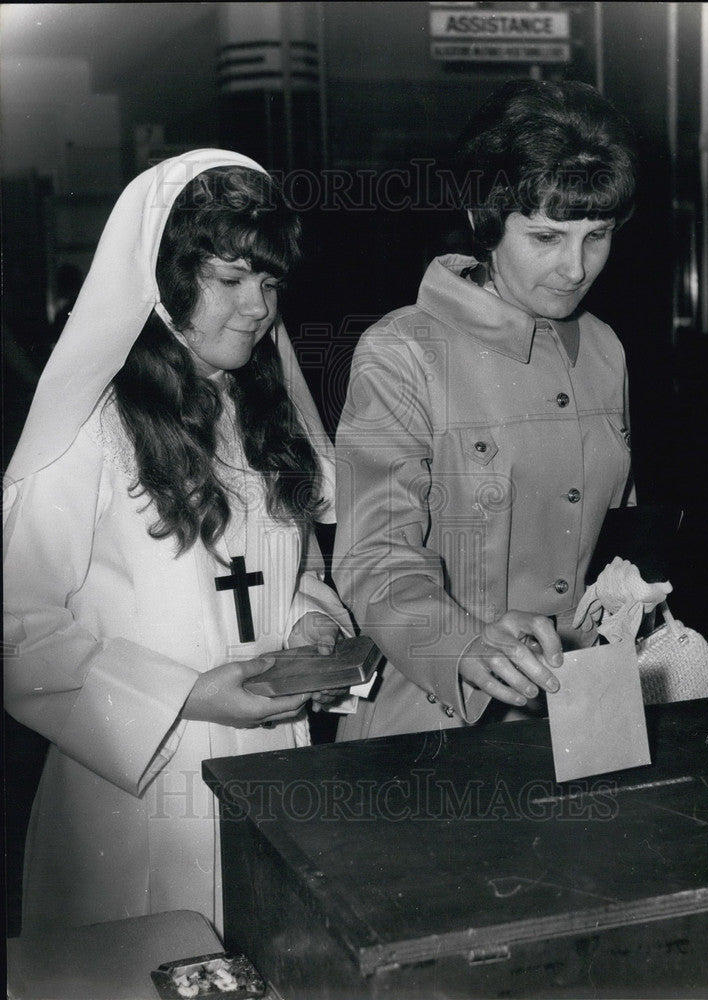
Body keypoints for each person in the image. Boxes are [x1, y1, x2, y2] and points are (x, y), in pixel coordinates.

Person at [3, 148, 352, 933]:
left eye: (268, 282)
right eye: (228, 280)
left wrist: (311, 626)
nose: (257, 307)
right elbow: (16, 627)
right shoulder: (90, 426)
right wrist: (192, 696)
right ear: (163, 282)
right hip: (138, 779)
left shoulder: (265, 416)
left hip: (275, 766)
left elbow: (278, 572)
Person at [333, 79, 640, 740]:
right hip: (439, 719)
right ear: (484, 220)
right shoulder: (402, 351)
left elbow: (616, 536)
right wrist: (461, 644)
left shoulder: (604, 350)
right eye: (546, 236)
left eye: (597, 235)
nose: (574, 267)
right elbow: (373, 556)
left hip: (586, 706)